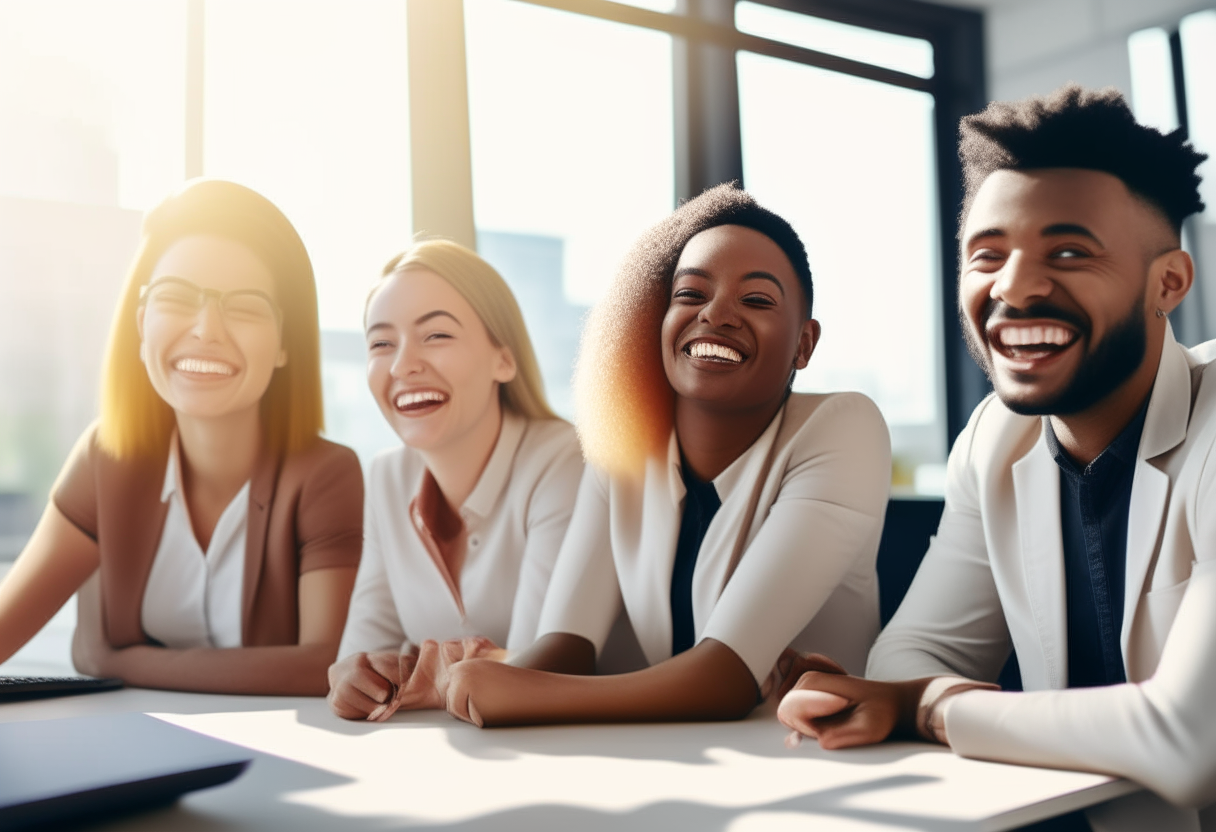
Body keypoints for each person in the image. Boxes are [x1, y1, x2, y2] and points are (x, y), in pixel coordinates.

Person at [778, 85, 1215, 831]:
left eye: (1069, 252)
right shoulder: (996, 438)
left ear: (1167, 283)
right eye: (987, 255)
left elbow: (1188, 741)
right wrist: (898, 694)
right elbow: (910, 657)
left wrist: (931, 706)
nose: (1013, 287)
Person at [436, 183, 891, 727]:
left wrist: (520, 693)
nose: (716, 315)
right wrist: (480, 684)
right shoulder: (623, 449)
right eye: (690, 294)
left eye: (757, 300)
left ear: (804, 344)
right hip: (669, 760)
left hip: (813, 762)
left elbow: (724, 678)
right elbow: (565, 646)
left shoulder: (844, 428)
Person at [0, 179, 363, 696]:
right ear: (142, 324)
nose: (206, 329)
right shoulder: (107, 459)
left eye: (244, 306)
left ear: (285, 344)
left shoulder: (326, 476)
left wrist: (114, 661)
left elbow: (321, 667)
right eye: (177, 297)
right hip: (131, 744)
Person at [326, 240, 583, 721]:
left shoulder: (564, 461)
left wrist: (418, 672)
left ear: (503, 360)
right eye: (381, 343)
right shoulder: (386, 476)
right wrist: (351, 680)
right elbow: (357, 656)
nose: (403, 365)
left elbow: (532, 669)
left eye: (436, 335)